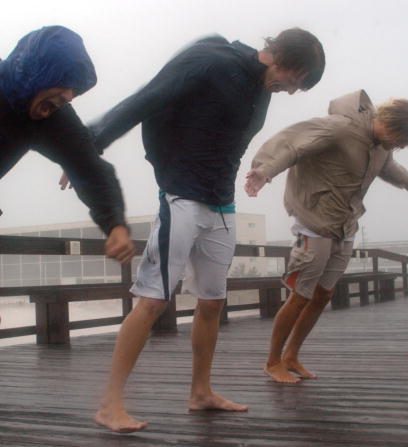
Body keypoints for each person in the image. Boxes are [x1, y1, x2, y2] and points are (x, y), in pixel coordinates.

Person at [89, 28, 325, 433]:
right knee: (152, 301)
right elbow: (148, 98)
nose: (291, 90)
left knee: (213, 302)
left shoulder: (261, 88)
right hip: (180, 196)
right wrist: (88, 148)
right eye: (296, 81)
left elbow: (229, 141)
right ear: (283, 58)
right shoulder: (212, 61)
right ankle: (109, 404)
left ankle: (200, 393)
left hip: (221, 205)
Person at [245, 89, 408, 384]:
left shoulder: (381, 146)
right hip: (312, 220)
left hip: (344, 224)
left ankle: (291, 356)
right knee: (301, 294)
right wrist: (264, 171)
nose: (394, 148)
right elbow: (292, 143)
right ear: (387, 123)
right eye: (396, 140)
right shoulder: (340, 127)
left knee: (324, 294)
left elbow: (387, 167)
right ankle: (273, 362)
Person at [0, 26, 135, 325]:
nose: (59, 106)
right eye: (58, 93)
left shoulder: (52, 119)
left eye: (66, 100)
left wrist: (114, 223)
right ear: (37, 75)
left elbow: (89, 168)